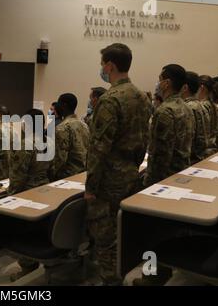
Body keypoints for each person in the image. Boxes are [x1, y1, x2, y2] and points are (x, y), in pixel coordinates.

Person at [85, 43, 152, 285]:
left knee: (104, 237)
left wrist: (90, 186)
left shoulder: (109, 99)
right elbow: (145, 139)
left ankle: (109, 281)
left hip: (108, 180)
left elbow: (98, 148)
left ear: (110, 65)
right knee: (123, 232)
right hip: (131, 173)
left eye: (102, 64)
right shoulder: (142, 97)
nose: (102, 68)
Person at [7, 109, 51, 281]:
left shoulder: (26, 144)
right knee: (39, 228)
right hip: (44, 188)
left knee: (24, 231)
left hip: (27, 191)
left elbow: (18, 175)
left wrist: (9, 196)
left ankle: (27, 265)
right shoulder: (47, 140)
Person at [145, 65, 194, 187]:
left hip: (165, 179)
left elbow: (160, 155)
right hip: (181, 172)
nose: (158, 83)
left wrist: (150, 182)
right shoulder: (186, 107)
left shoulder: (164, 111)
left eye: (160, 79)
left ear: (166, 83)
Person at [49, 93, 89, 181]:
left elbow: (60, 158)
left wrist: (51, 176)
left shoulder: (62, 128)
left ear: (64, 105)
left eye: (59, 104)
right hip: (82, 174)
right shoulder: (84, 125)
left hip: (67, 177)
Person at [181, 72, 209, 164]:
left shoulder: (188, 107)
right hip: (200, 155)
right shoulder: (200, 105)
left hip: (192, 159)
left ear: (185, 88)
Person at [198, 75, 218, 157]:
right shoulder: (213, 104)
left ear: (201, 87)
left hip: (204, 151)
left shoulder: (202, 106)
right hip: (213, 148)